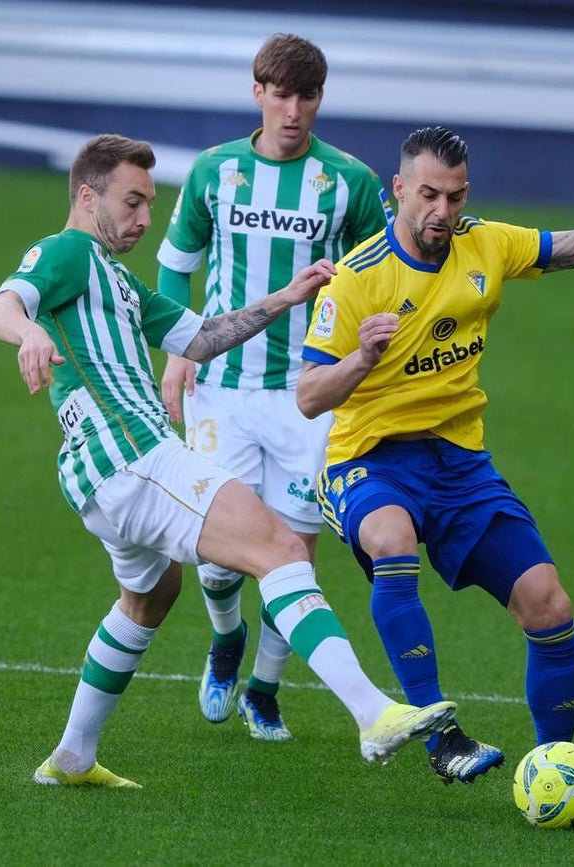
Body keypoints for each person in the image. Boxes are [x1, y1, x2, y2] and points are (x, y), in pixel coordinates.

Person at [0, 133, 456, 788]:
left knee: (151, 596)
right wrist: (28, 329)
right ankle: (374, 712)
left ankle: (72, 757)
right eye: (133, 201)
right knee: (284, 548)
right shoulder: (67, 254)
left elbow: (204, 336)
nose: (145, 218)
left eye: (149, 202)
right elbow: (2, 303)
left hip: (105, 471)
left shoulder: (116, 281)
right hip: (133, 454)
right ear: (87, 196)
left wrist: (288, 297)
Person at [297, 125, 574, 784]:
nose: (442, 212)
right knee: (391, 538)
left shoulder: (486, 242)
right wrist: (363, 356)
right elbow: (309, 396)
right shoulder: (358, 279)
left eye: (455, 196)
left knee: (548, 604)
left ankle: (556, 765)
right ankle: (438, 735)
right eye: (429, 195)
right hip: (368, 459)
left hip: (459, 464)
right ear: (398, 190)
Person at [156, 34, 392, 741]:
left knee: (295, 551)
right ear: (257, 91)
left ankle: (264, 685)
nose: (293, 110)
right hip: (222, 386)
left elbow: (381, 270)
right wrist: (178, 350)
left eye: (307, 96)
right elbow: (175, 266)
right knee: (218, 551)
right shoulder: (214, 171)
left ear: (320, 99)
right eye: (280, 93)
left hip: (305, 395)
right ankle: (225, 636)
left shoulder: (349, 181)